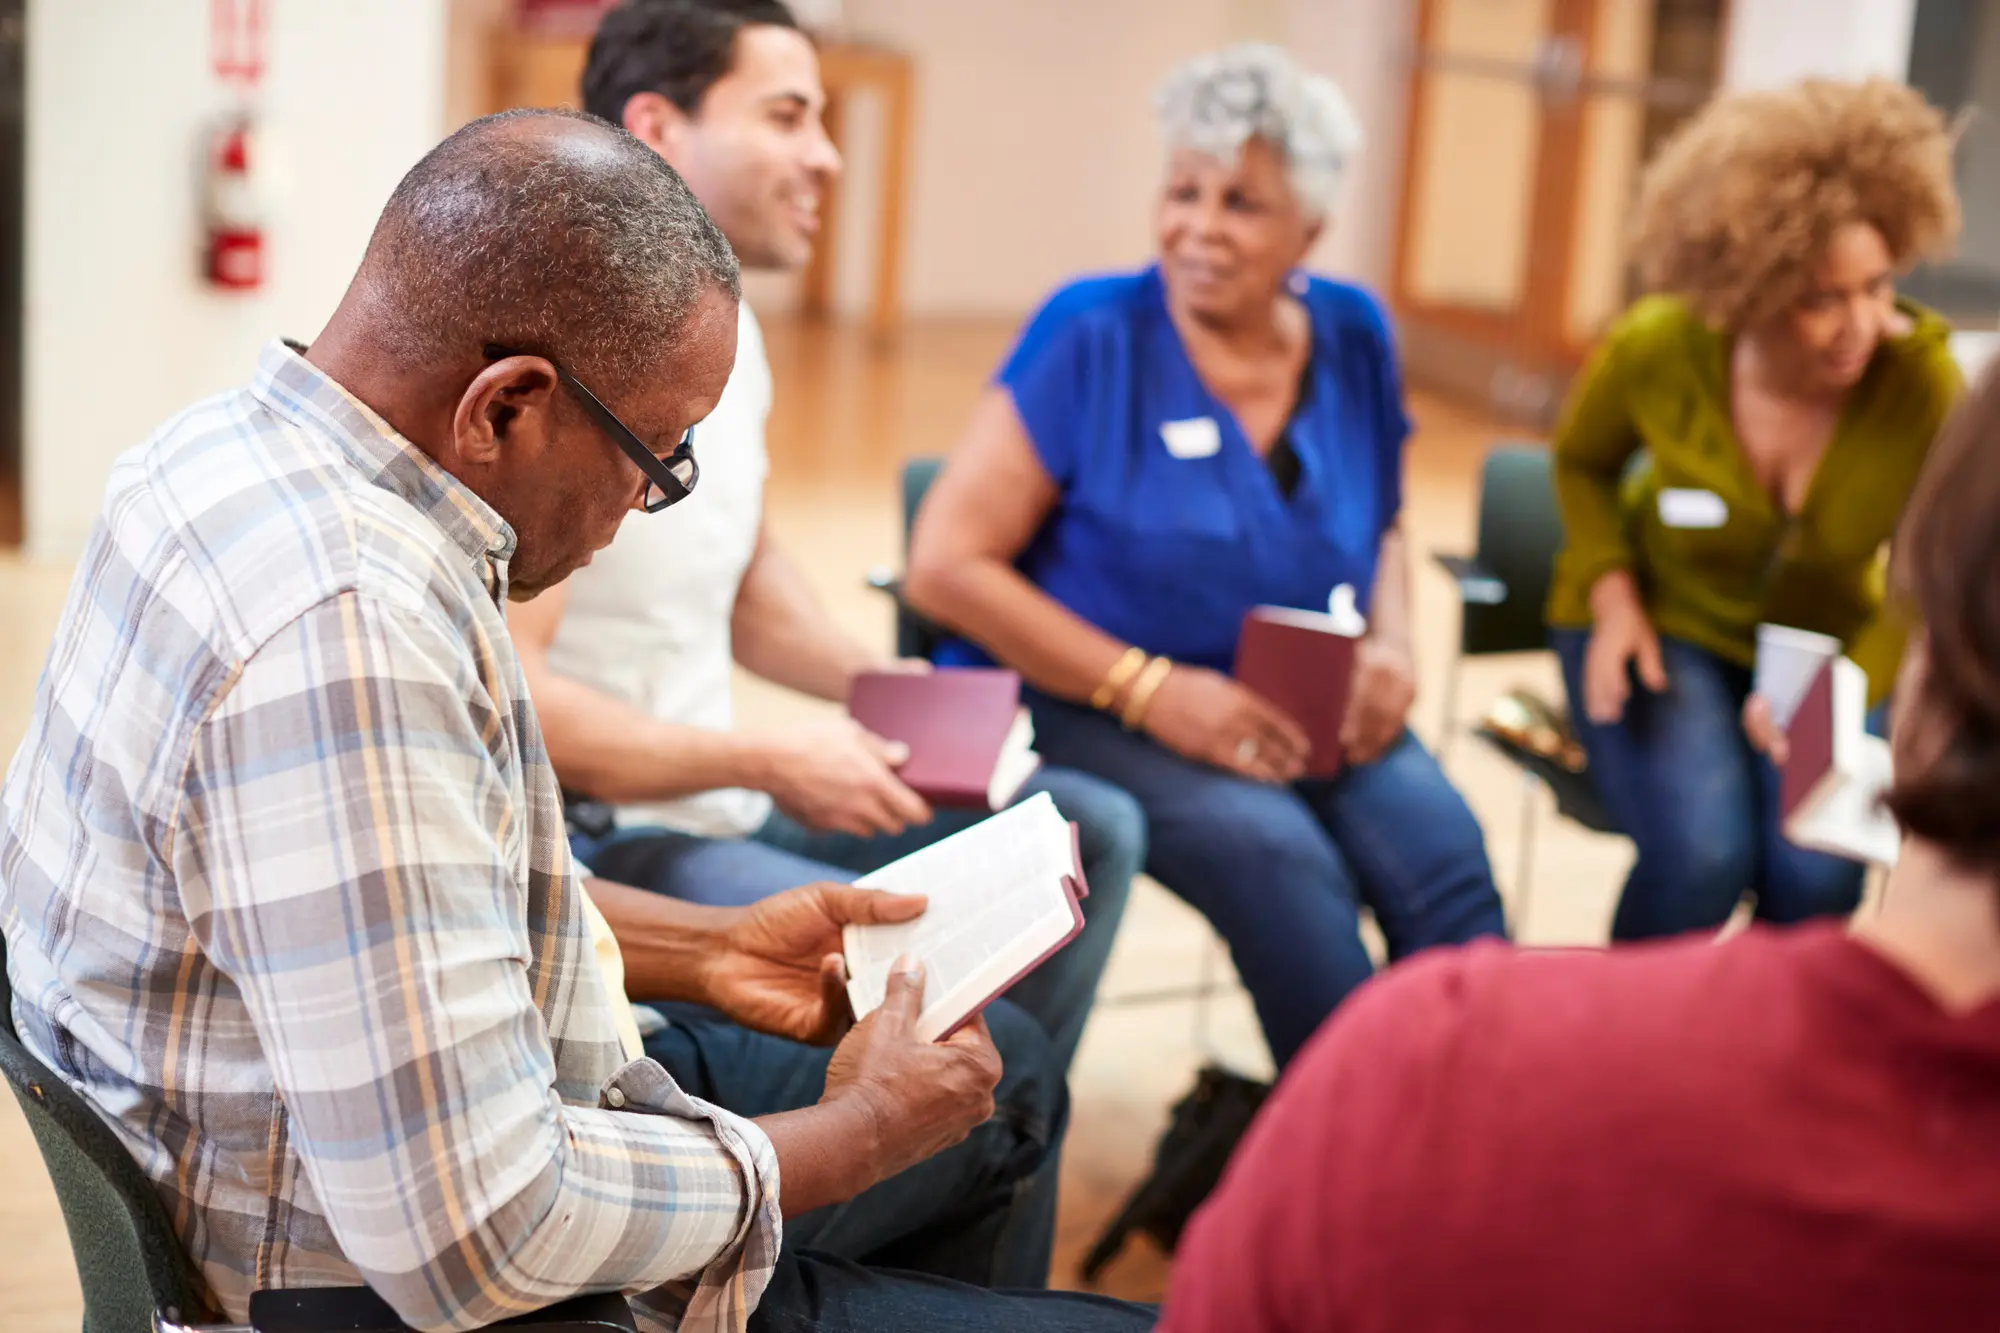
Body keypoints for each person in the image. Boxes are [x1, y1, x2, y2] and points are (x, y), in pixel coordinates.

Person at [0, 110, 1150, 1333]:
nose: (647, 501)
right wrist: (857, 1134)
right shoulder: (351, 633)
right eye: (656, 456)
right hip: (393, 1288)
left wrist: (708, 949)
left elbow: (386, 907)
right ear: (505, 407)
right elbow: (478, 1237)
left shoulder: (205, 456)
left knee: (1008, 1077)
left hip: (373, 1171)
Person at [1159, 358, 2000, 1333]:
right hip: (1653, 658)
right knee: (1691, 846)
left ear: (1929, 645)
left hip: (1434, 1108)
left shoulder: (1437, 1058)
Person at [509, 0, 1143, 1074]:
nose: (827, 154)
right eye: (787, 116)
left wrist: (880, 687)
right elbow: (515, 700)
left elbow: (746, 579)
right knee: (983, 1043)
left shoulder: (725, 325)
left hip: (722, 790)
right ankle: (940, 1123)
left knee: (1087, 829)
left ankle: (954, 1143)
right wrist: (769, 758)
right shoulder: (579, 359)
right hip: (615, 832)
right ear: (658, 128)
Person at [903, 44, 1506, 1069]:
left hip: (1303, 698)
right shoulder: (1091, 332)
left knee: (1445, 859)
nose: (1198, 227)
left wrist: (1394, 647)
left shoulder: (1353, 332)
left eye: (1241, 203)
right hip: (1087, 704)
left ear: (1309, 230)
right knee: (1280, 863)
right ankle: (1346, 1144)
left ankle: (1485, 1126)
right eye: (1183, 192)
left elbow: (1386, 524)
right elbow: (945, 567)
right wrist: (1149, 689)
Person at [1546, 78, 1963, 943]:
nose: (1862, 324)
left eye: (1878, 286)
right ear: (1750, 284)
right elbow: (1582, 463)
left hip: (1827, 652)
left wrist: (1845, 688)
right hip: (1668, 626)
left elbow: (1924, 578)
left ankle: (1766, 1031)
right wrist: (1612, 596)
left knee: (1817, 870)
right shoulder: (1659, 348)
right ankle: (1627, 1027)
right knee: (1704, 856)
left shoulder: (1919, 384)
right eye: (1822, 298)